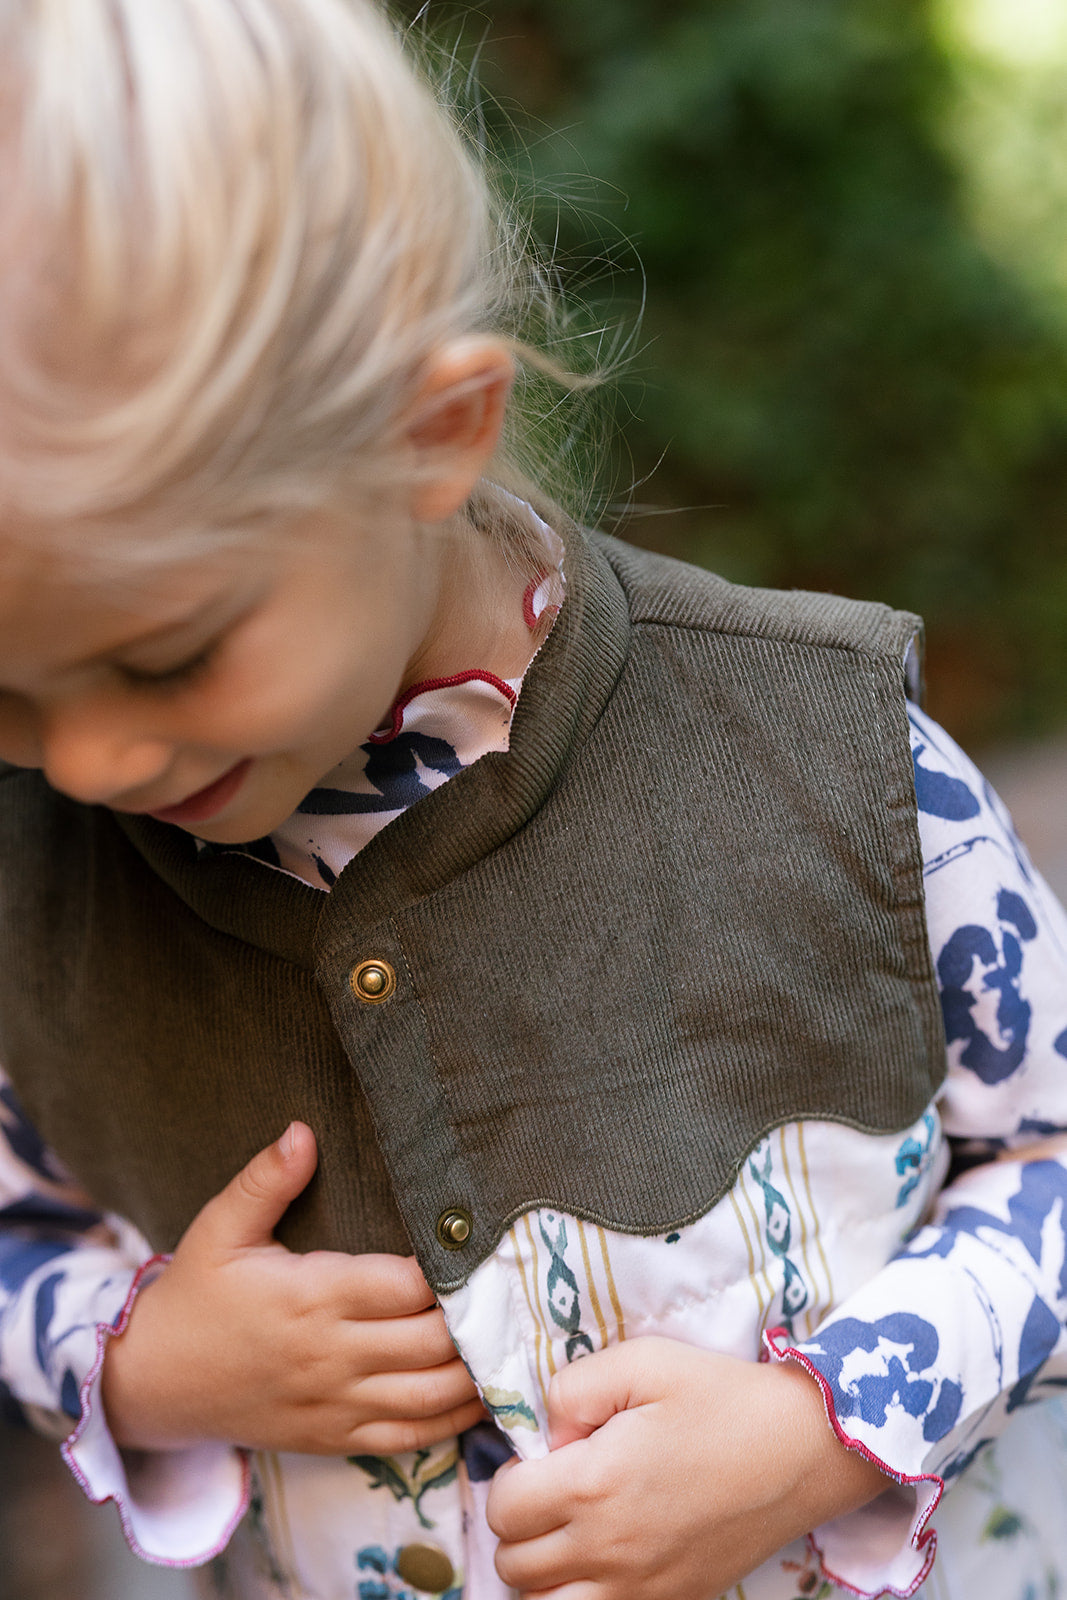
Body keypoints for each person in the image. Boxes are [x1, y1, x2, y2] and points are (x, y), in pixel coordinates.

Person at [0, 2, 1066, 1597]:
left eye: (167, 657)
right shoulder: (40, 893)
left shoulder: (823, 750)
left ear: (431, 434)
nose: (86, 761)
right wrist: (136, 1360)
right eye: (8, 696)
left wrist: (825, 1427)